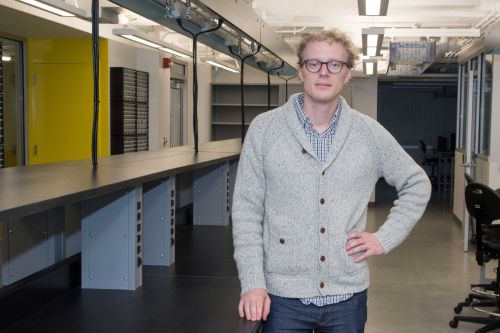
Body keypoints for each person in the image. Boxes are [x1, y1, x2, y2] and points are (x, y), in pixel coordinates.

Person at [231, 29, 432, 333]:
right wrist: (252, 283)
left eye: (335, 64)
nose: (324, 72)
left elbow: (417, 183)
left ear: (348, 74)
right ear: (300, 70)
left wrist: (384, 238)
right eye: (314, 63)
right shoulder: (265, 129)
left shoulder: (369, 134)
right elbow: (246, 212)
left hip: (347, 298)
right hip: (282, 298)